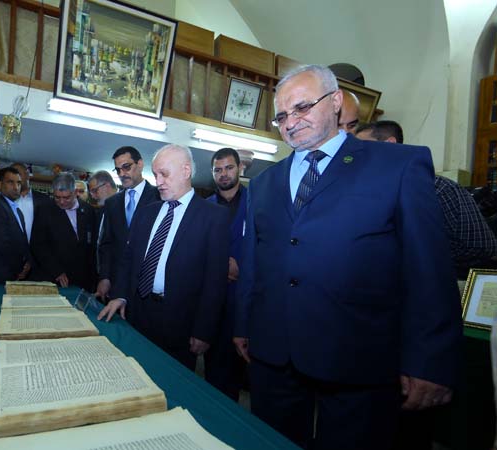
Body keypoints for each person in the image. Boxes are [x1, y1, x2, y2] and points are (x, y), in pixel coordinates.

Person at [234, 64, 462, 450]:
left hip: (359, 358)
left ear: (336, 101)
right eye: (282, 116)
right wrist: (243, 324)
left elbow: (428, 271)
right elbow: (254, 261)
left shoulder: (398, 166)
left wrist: (430, 361)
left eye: (303, 107)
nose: (291, 122)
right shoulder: (263, 183)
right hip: (275, 354)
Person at [98, 144, 229, 370]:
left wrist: (204, 330)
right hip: (137, 313)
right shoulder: (147, 212)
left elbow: (215, 281)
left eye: (164, 174)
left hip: (180, 323)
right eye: (155, 174)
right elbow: (129, 259)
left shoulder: (213, 217)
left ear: (186, 171)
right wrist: (120, 296)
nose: (158, 182)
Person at [356, 120, 497, 278]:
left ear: (390, 144)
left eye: (364, 147)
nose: (356, 155)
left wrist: (421, 256)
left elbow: (482, 248)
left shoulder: (439, 189)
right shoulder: (369, 192)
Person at [204, 147, 249, 400]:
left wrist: (242, 266)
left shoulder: (257, 203)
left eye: (229, 168)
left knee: (240, 372)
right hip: (214, 301)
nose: (224, 174)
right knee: (214, 372)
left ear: (240, 168)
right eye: (218, 170)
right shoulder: (204, 207)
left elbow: (269, 246)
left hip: (246, 300)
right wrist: (221, 265)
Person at [96, 146, 160, 300]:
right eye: (118, 170)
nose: (121, 174)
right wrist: (105, 277)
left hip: (146, 284)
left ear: (140, 164)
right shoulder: (112, 203)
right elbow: (107, 244)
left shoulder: (159, 197)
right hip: (117, 283)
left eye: (126, 167)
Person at [31, 172, 97, 291]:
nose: (61, 202)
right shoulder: (44, 210)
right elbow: (38, 245)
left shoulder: (88, 210)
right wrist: (57, 271)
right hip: (55, 276)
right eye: (57, 197)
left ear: (75, 192)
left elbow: (91, 245)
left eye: (66, 197)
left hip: (83, 278)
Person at [11, 162, 53, 243]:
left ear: (27, 175)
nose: (15, 180)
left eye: (18, 174)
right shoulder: (5, 201)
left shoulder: (44, 200)